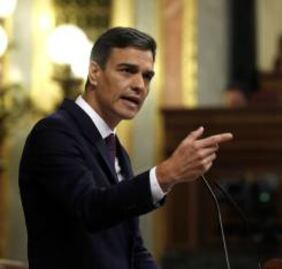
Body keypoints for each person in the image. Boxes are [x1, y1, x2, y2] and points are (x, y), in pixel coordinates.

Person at [19, 27, 233, 269]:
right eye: (127, 71)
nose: (140, 85)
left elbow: (132, 249)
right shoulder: (54, 133)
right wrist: (165, 175)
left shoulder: (116, 149)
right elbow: (89, 208)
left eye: (147, 76)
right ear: (94, 73)